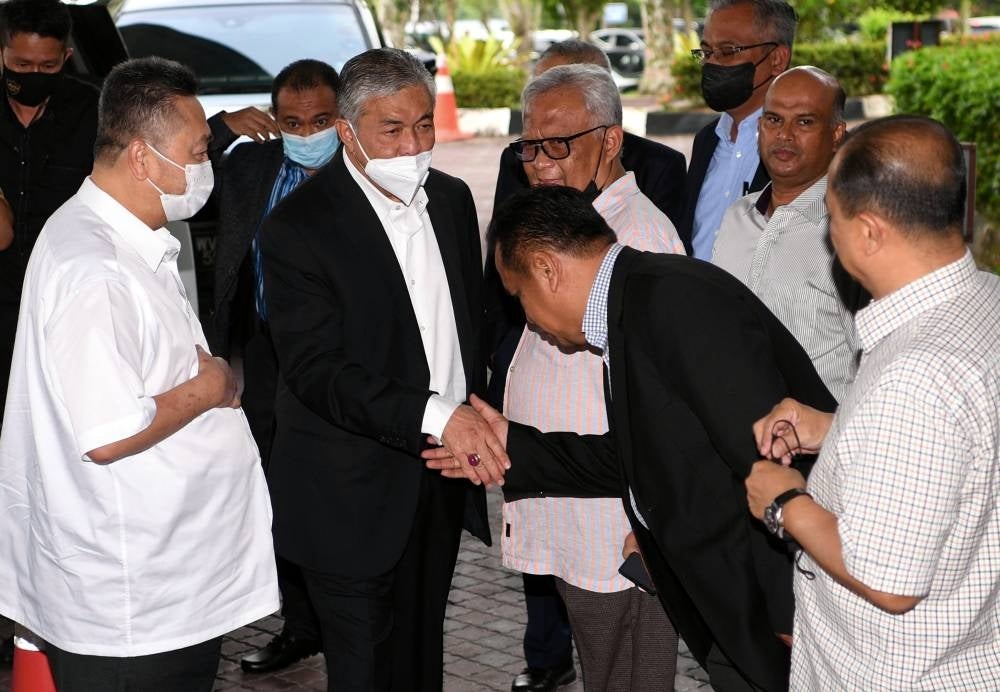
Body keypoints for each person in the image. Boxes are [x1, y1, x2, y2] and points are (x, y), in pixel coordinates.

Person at [427, 185, 837, 692]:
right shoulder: (631, 305)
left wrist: (787, 614)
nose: (526, 318)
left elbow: (769, 456)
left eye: (520, 297)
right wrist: (516, 444)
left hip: (768, 613)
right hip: (731, 605)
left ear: (547, 269)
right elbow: (636, 456)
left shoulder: (676, 302)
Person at [0, 56, 278, 691]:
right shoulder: (94, 266)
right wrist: (207, 390)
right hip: (131, 603)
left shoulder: (123, 235)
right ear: (144, 159)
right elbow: (109, 431)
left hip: (162, 582)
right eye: (198, 149)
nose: (207, 164)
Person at [260, 47, 497, 691]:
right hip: (348, 489)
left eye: (424, 125)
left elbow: (461, 323)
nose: (413, 144)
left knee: (421, 657)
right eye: (391, 129)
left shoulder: (448, 200)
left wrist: (478, 401)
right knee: (364, 670)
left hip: (440, 481)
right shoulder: (297, 228)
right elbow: (316, 369)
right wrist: (437, 412)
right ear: (348, 131)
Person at [746, 116, 1000, 690]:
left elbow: (888, 578)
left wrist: (783, 500)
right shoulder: (985, 297)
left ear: (868, 232)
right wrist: (833, 429)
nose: (826, 235)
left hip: (894, 671)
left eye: (829, 219)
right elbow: (953, 455)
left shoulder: (914, 375)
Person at [501, 64, 684, 692]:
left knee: (631, 676)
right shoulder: (572, 223)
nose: (540, 161)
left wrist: (651, 521)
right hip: (579, 510)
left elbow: (666, 398)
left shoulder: (637, 239)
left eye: (560, 144)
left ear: (609, 141)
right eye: (530, 145)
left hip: (617, 523)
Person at [211, 58, 341, 675]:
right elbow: (175, 174)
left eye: (320, 119)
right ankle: (300, 624)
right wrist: (218, 129)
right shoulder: (250, 165)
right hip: (266, 353)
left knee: (332, 486)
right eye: (292, 120)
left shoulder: (362, 168)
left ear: (342, 118)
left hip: (339, 357)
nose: (306, 131)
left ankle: (344, 621)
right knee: (274, 489)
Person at [712, 66, 860, 402]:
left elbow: (872, 363)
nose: (785, 135)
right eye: (774, 120)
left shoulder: (852, 232)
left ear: (837, 134)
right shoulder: (737, 217)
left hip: (819, 443)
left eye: (805, 122)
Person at [0, 0, 98, 436]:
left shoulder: (92, 111)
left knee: (60, 425)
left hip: (63, 299)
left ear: (66, 58)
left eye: (47, 65)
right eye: (21, 63)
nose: (33, 75)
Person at [494, 39, 687, 228]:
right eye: (542, 84)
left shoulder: (641, 233)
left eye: (558, 143)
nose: (540, 161)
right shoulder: (520, 157)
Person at [681, 0, 796, 258]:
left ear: (777, 59)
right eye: (707, 52)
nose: (712, 63)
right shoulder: (706, 141)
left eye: (728, 51)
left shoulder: (800, 147)